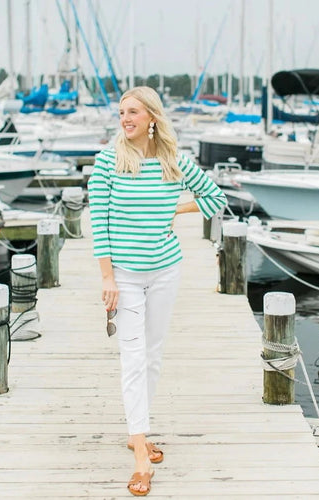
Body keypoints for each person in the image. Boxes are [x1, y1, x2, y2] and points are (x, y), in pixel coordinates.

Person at [87, 86, 227, 496]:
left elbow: (214, 198)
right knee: (132, 357)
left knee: (152, 355)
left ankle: (139, 432)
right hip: (125, 276)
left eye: (132, 112)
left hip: (166, 270)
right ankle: (140, 458)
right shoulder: (108, 161)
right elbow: (100, 224)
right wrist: (107, 278)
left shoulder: (174, 161)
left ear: (152, 117)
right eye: (121, 113)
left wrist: (174, 209)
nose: (125, 118)